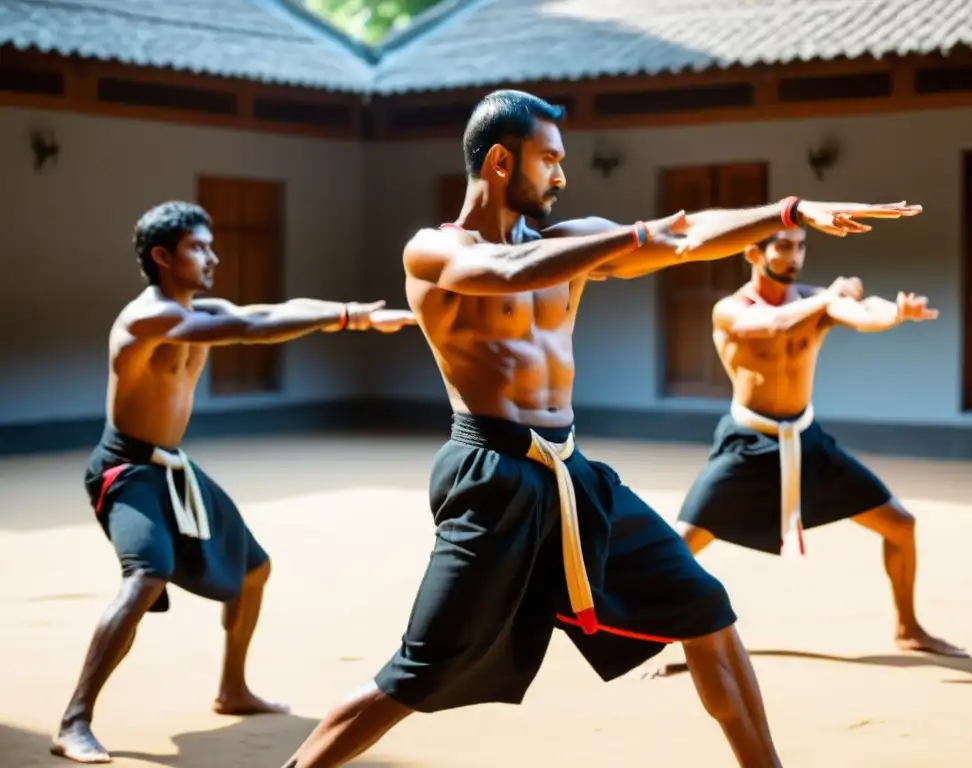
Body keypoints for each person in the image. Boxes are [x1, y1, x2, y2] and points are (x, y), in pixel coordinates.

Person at [280, 89, 923, 768]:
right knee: (418, 672)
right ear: (501, 162)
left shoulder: (571, 240)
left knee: (707, 610)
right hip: (492, 477)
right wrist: (633, 236)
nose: (561, 176)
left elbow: (687, 238)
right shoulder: (435, 251)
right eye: (549, 160)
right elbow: (505, 271)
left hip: (572, 472)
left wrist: (788, 210)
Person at [51, 201, 417, 764]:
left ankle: (233, 689)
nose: (212, 256)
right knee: (146, 573)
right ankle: (74, 721)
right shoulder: (148, 318)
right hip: (125, 470)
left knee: (254, 569)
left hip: (170, 465)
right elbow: (248, 328)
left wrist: (360, 316)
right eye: (199, 247)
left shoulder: (198, 310)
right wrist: (348, 316)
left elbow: (267, 311)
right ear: (162, 256)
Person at [644, 227, 963, 682]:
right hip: (747, 443)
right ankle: (653, 638)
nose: (795, 255)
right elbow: (775, 324)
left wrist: (893, 312)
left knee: (900, 525)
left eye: (801, 246)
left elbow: (860, 311)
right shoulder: (731, 310)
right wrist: (830, 297)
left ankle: (908, 627)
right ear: (754, 253)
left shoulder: (817, 298)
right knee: (679, 545)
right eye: (784, 246)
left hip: (806, 440)